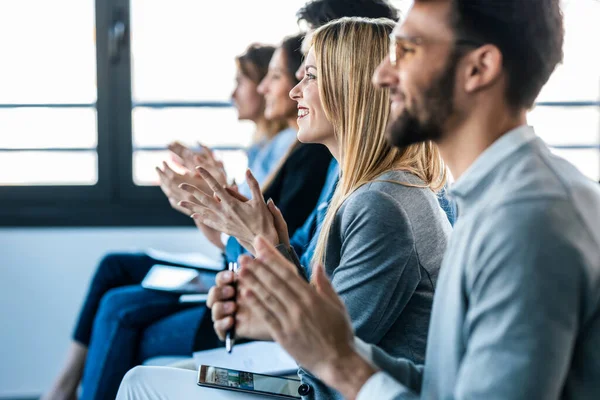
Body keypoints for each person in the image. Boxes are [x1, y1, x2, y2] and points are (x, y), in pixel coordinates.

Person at [177, 1, 600, 399]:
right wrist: (310, 332)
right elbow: (442, 385)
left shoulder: (528, 223)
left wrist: (336, 359)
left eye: (408, 51)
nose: (381, 76)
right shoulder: (491, 199)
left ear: (479, 68)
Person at [117, 16, 452, 400]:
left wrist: (260, 243)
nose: (295, 92)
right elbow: (321, 315)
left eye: (309, 76)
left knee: (141, 382)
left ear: (351, 87)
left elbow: (323, 363)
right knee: (150, 374)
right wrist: (270, 250)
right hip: (323, 385)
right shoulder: (365, 188)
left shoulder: (381, 204)